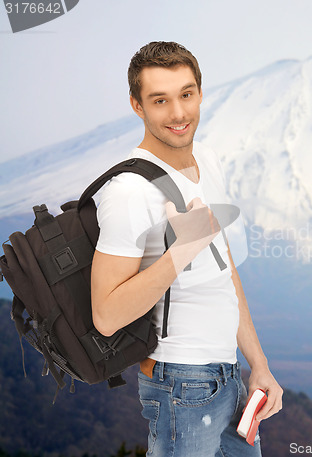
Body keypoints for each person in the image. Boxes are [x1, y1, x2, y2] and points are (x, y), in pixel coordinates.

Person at [90, 41, 283, 456]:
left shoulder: (207, 160)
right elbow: (106, 315)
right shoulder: (129, 191)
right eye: (160, 100)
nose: (178, 113)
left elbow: (225, 272)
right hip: (179, 382)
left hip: (228, 377)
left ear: (200, 92)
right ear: (137, 106)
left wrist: (258, 363)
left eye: (186, 94)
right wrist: (181, 251)